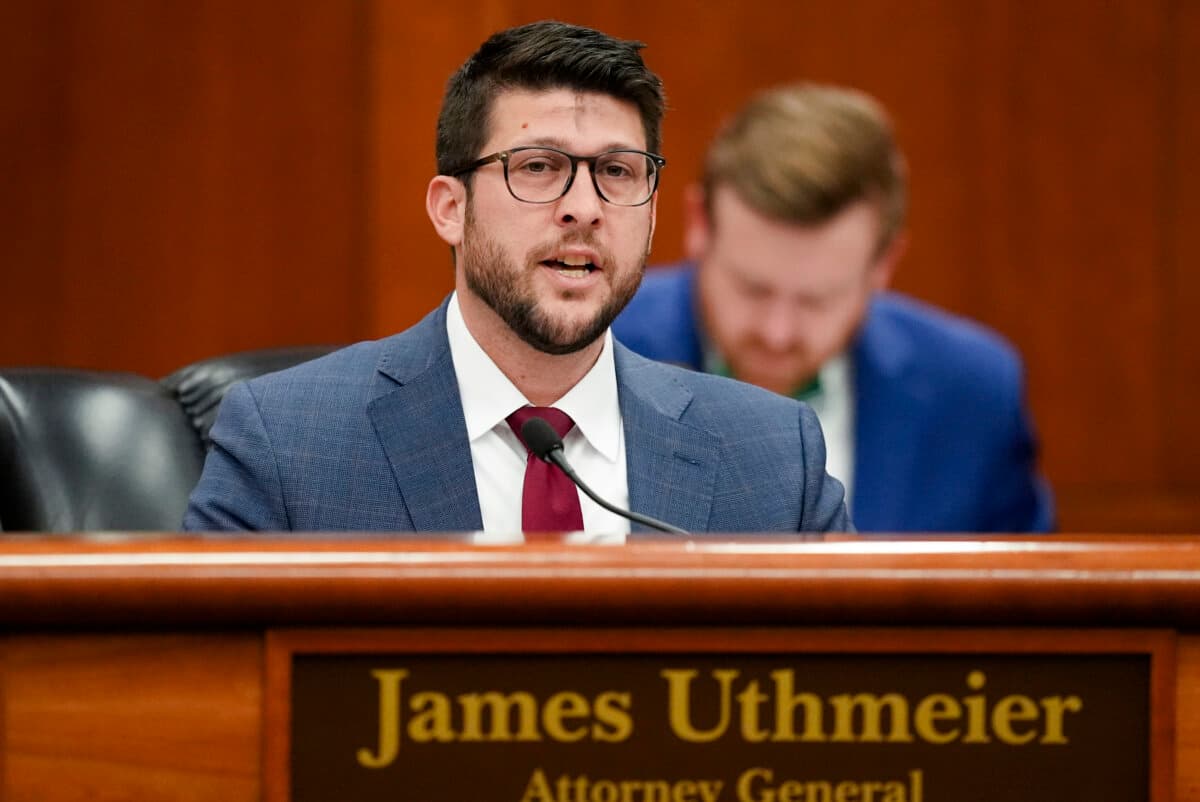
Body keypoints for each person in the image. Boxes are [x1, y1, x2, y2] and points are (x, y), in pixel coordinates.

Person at [184, 22, 849, 536]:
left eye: (618, 172)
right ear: (451, 209)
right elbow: (202, 694)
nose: (584, 207)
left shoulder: (769, 456)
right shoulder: (289, 441)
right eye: (537, 167)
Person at [613, 84, 1053, 533]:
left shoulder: (972, 392)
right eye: (752, 289)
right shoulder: (597, 352)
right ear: (699, 225)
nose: (777, 332)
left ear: (884, 264)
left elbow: (1029, 595)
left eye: (817, 301)